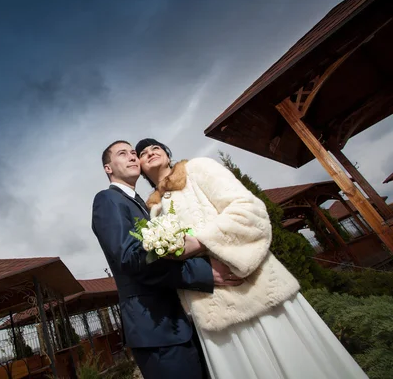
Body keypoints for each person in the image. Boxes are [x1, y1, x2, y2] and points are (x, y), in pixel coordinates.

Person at [135, 138, 368, 379]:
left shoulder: (198, 169)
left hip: (255, 291)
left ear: (168, 154)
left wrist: (199, 241)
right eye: (143, 153)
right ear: (140, 166)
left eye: (156, 147)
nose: (151, 152)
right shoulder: (154, 210)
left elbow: (248, 210)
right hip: (212, 309)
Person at [91, 140, 244, 379]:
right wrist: (204, 272)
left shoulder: (144, 205)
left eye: (134, 153)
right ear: (108, 168)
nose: (133, 157)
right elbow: (130, 259)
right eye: (123, 154)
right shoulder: (108, 200)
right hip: (156, 330)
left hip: (180, 322)